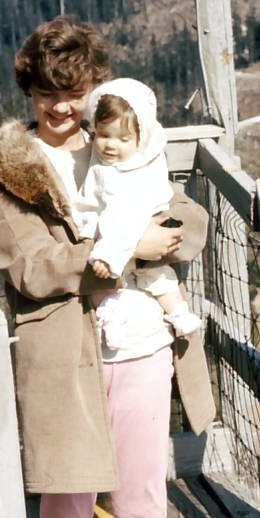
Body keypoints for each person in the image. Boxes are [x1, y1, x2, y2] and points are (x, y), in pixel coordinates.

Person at [0, 15, 216, 518]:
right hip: (63, 355)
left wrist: (167, 234)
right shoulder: (12, 169)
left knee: (143, 499)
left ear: (93, 88)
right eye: (47, 93)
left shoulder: (120, 135)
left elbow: (186, 215)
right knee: (66, 507)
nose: (60, 107)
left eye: (72, 92)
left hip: (140, 345)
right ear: (29, 91)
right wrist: (120, 253)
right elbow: (27, 266)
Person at [73, 77, 202, 349]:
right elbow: (89, 202)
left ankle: (177, 312)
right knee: (104, 287)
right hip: (111, 239)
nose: (111, 145)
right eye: (104, 135)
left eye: (123, 139)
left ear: (140, 139)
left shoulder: (144, 166)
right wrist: (92, 234)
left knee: (160, 276)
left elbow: (147, 202)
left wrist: (118, 247)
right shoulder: (99, 167)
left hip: (140, 233)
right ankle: (110, 321)